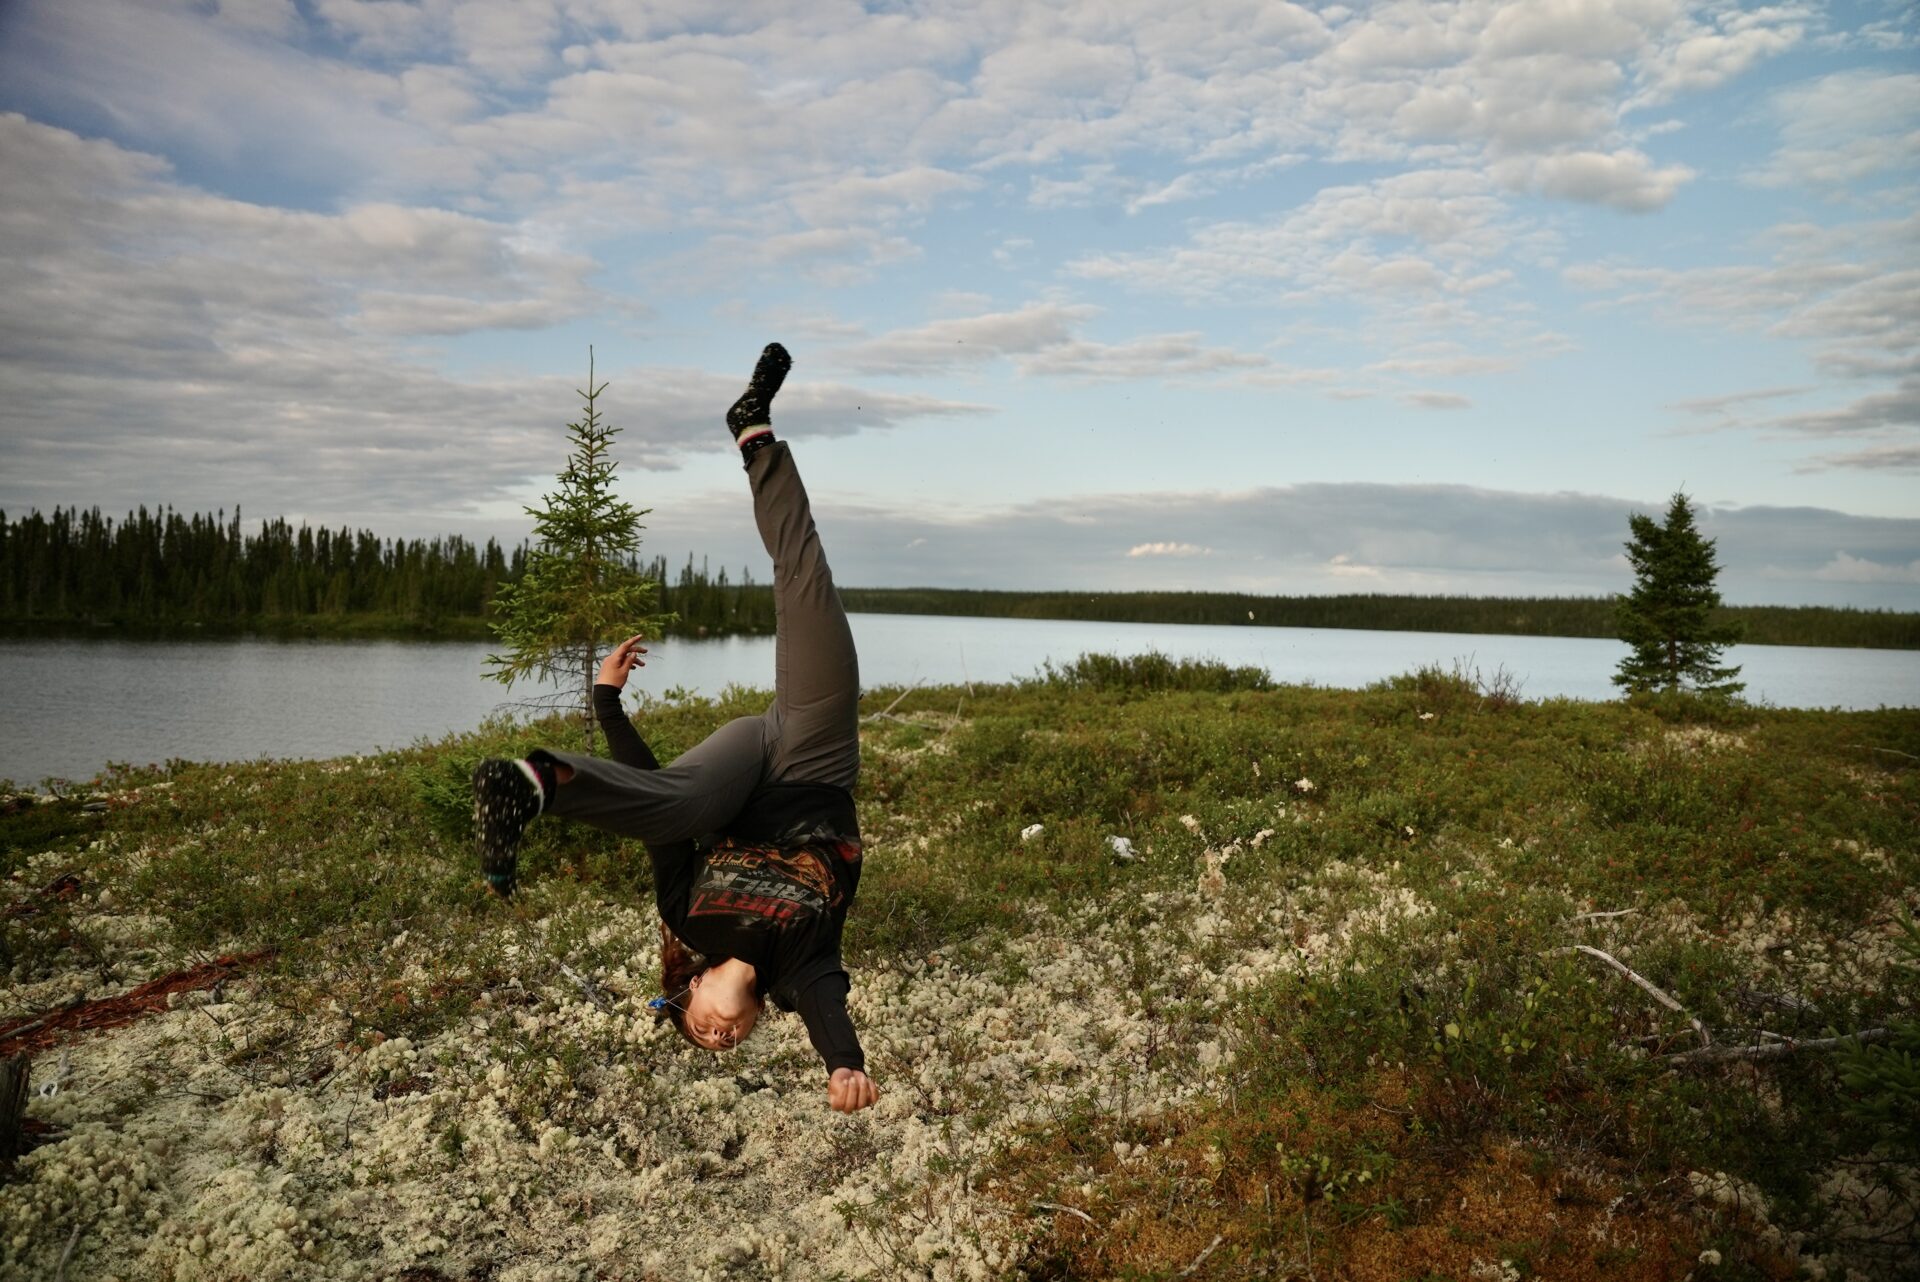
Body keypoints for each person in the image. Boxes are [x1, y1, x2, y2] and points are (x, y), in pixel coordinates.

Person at [469, 344, 879, 1114]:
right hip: (818, 765)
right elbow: (830, 1004)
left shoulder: (687, 913)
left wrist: (606, 705)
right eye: (732, 1043)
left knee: (677, 808)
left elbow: (659, 803)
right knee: (808, 583)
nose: (719, 1039)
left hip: (744, 769)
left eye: (698, 1033)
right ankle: (754, 431)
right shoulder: (799, 968)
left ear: (688, 993)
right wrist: (843, 1065)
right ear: (757, 1020)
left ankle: (535, 784)